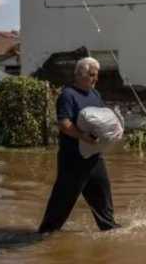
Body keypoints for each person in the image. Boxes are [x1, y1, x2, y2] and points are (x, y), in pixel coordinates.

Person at [38, 57, 120, 233]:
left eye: (96, 75)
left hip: (94, 157)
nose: (95, 79)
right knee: (63, 201)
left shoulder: (95, 94)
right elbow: (64, 124)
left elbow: (103, 120)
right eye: (92, 75)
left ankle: (109, 228)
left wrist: (113, 131)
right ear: (80, 74)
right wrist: (83, 136)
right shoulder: (68, 95)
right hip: (73, 159)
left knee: (102, 194)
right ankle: (45, 234)